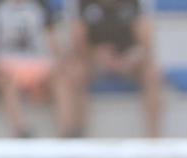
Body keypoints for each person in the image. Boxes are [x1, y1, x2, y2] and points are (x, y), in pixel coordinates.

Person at [60, 0, 163, 137]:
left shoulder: (136, 4)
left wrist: (130, 59)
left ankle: (154, 140)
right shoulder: (82, 4)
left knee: (152, 73)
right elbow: (77, 42)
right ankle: (76, 137)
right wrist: (96, 55)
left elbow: (146, 45)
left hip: (128, 59)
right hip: (93, 60)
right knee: (74, 72)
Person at [0, 0, 64, 138]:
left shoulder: (41, 5)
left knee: (62, 79)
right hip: (6, 64)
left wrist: (57, 65)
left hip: (37, 64)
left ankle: (67, 135)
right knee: (5, 80)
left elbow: (52, 44)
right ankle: (21, 130)